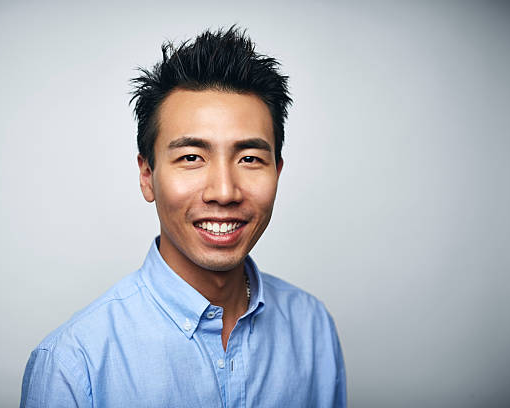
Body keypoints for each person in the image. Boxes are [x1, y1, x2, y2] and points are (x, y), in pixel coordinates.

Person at [20, 26, 346, 408]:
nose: (224, 192)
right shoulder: (74, 365)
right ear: (147, 176)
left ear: (277, 170)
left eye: (250, 159)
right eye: (191, 157)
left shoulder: (312, 328)